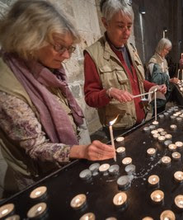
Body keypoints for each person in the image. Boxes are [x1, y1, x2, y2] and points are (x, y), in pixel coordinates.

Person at [0, 0, 115, 195]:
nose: (66, 56)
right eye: (59, 47)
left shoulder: (44, 66)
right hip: (39, 177)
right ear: (30, 39)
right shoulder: (8, 88)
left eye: (69, 48)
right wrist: (82, 151)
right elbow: (36, 147)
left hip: (65, 159)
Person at [84, 0, 166, 136]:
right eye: (121, 26)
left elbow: (138, 82)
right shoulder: (93, 55)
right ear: (105, 23)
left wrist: (153, 86)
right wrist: (108, 92)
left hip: (141, 119)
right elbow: (90, 97)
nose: (127, 32)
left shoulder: (131, 49)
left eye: (129, 26)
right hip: (119, 129)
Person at [147, 38, 178, 114]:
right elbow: (155, 81)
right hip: (156, 94)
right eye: (166, 49)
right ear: (160, 47)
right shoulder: (153, 61)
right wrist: (169, 80)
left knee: (162, 112)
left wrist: (171, 79)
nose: (167, 52)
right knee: (156, 114)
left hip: (163, 92)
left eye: (168, 50)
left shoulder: (164, 60)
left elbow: (166, 76)